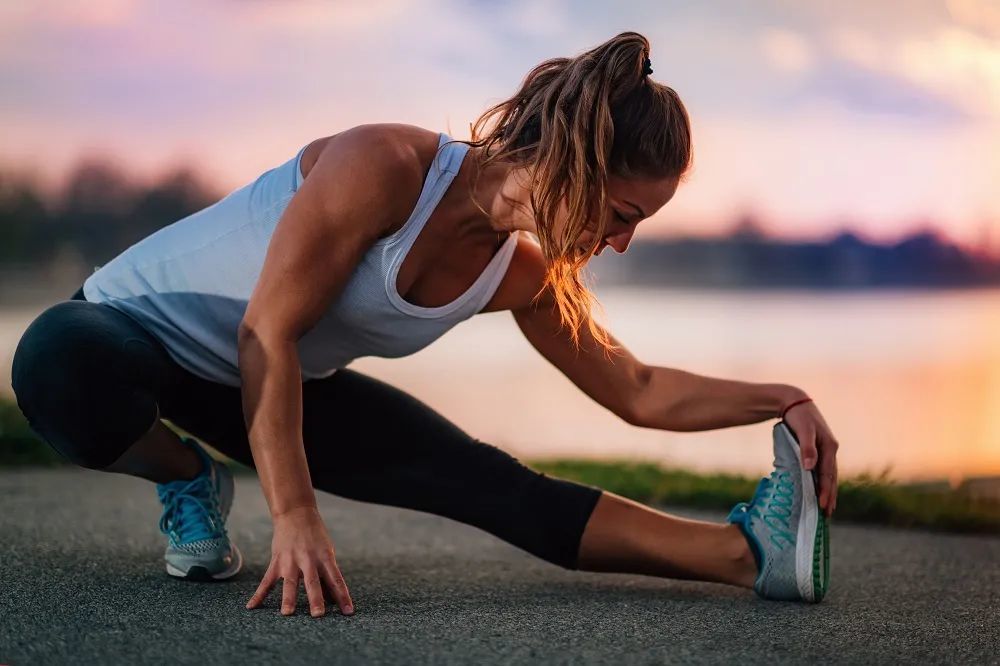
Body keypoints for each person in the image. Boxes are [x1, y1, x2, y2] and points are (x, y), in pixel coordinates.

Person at [10, 31, 838, 617]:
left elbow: (638, 390)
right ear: (578, 163)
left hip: (273, 381)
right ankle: (184, 474)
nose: (620, 242)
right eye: (623, 213)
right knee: (57, 363)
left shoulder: (520, 273)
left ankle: (749, 556)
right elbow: (267, 328)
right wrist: (292, 515)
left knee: (493, 486)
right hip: (130, 333)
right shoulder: (387, 167)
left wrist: (785, 397)